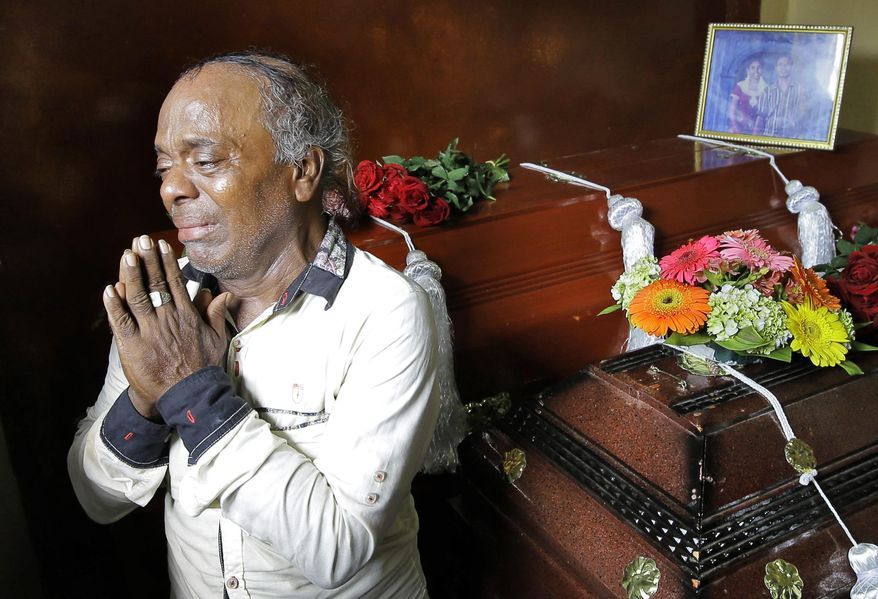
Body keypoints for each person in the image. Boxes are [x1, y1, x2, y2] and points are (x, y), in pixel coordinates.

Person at [67, 52, 440, 598]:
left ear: (303, 172)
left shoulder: (385, 310)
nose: (172, 189)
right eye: (164, 166)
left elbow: (338, 548)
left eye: (207, 160)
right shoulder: (168, 308)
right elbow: (96, 499)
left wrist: (190, 390)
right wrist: (145, 403)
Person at [757, 54, 809, 138]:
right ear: (776, 68)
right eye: (780, 64)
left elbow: (804, 116)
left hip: (791, 138)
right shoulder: (767, 91)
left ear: (792, 67)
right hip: (769, 136)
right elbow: (760, 118)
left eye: (787, 64)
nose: (783, 68)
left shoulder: (800, 90)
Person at [727, 58, 766, 135]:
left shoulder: (766, 89)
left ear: (762, 70)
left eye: (759, 68)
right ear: (748, 70)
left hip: (758, 130)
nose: (756, 71)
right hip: (738, 127)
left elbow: (763, 114)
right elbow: (732, 110)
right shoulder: (740, 86)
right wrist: (735, 126)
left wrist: (755, 132)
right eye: (753, 68)